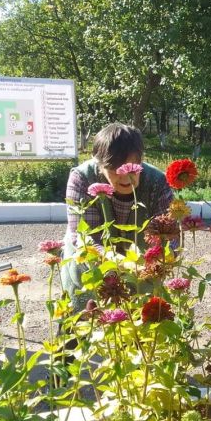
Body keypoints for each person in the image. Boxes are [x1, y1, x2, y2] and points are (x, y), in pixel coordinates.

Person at [61, 123, 173, 311]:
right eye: (115, 170)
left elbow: (170, 234)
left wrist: (159, 261)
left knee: (143, 328)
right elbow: (85, 237)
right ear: (99, 162)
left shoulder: (157, 182)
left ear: (141, 160)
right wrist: (121, 263)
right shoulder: (81, 178)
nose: (125, 178)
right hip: (91, 271)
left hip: (142, 271)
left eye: (132, 169)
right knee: (83, 328)